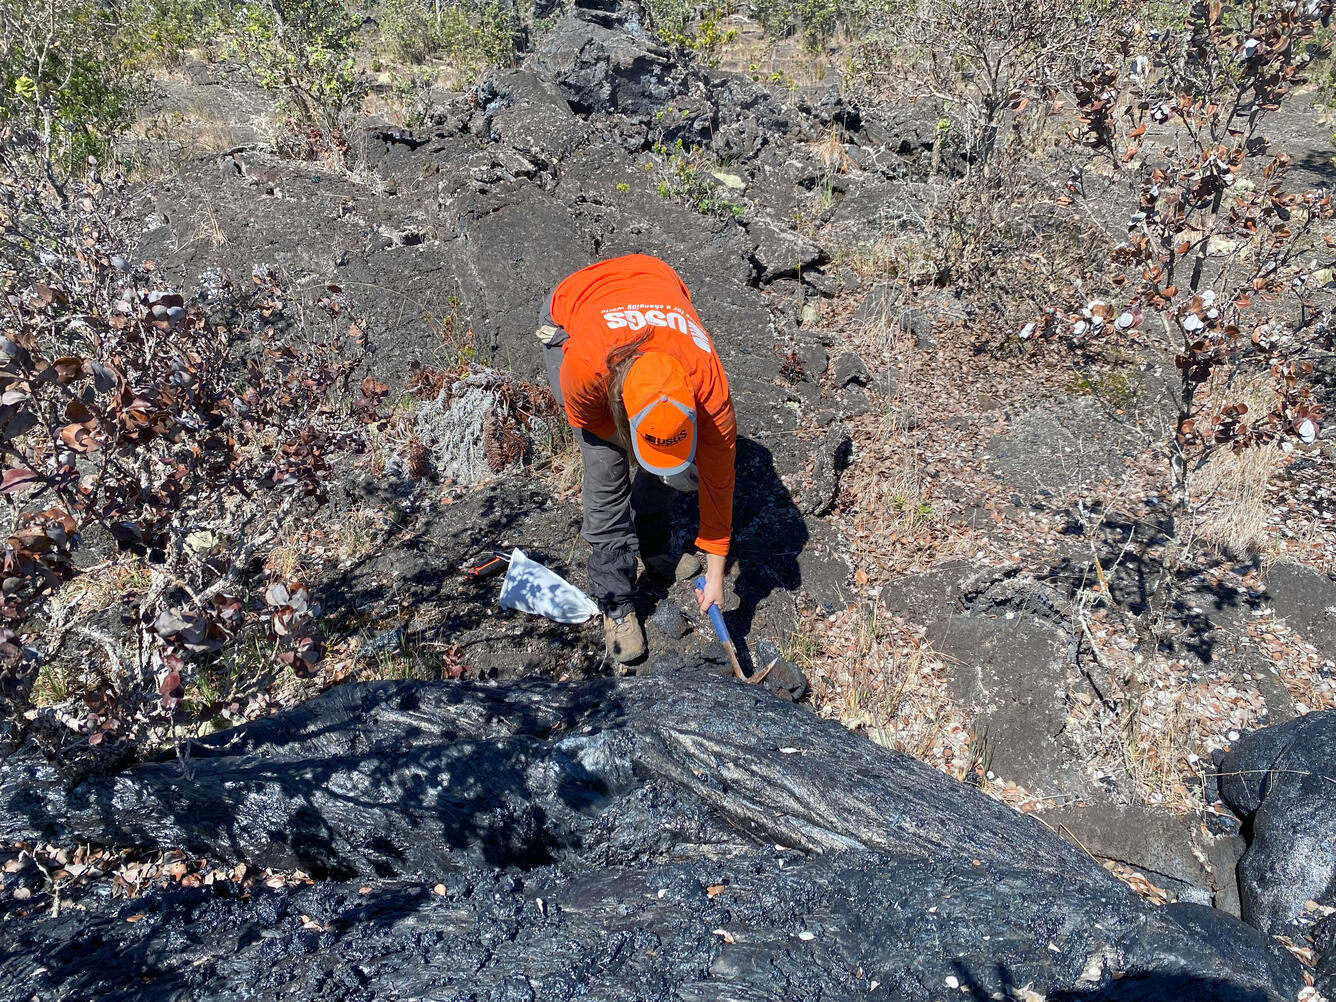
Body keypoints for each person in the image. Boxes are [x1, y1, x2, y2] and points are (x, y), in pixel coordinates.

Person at [537, 253, 737, 664]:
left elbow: (720, 485)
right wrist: (630, 447)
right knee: (607, 469)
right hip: (575, 306)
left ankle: (654, 543)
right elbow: (586, 419)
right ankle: (616, 602)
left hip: (653, 277)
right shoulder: (586, 366)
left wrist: (716, 575)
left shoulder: (709, 390)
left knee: (677, 471)